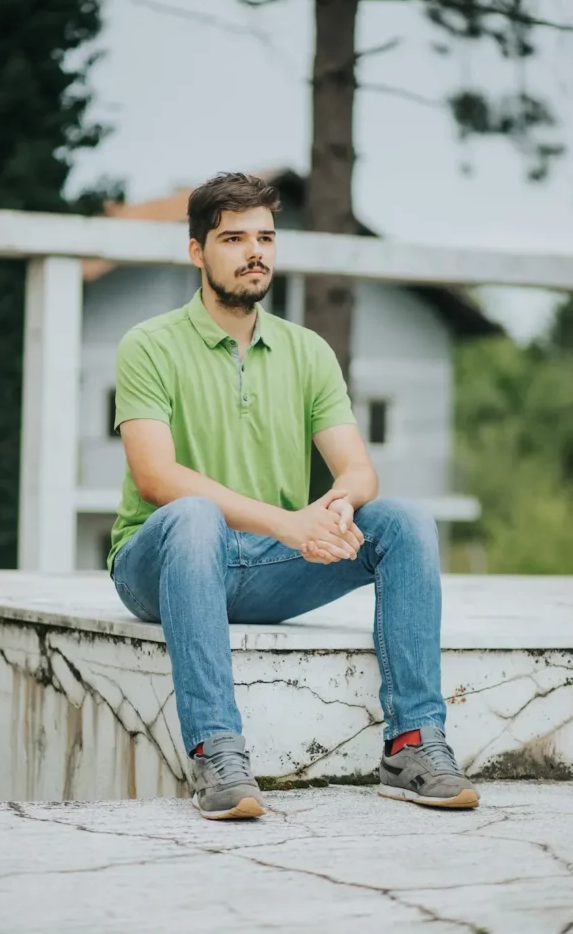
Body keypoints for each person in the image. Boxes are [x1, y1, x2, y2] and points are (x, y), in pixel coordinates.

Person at [108, 172, 479, 820]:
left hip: (266, 566)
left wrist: (336, 505)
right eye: (233, 239)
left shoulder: (307, 351)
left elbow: (357, 469)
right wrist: (286, 523)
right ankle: (217, 752)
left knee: (404, 521)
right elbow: (156, 479)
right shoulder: (149, 345)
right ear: (197, 251)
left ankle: (413, 744)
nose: (254, 252)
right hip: (160, 563)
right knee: (193, 515)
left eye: (265, 238)